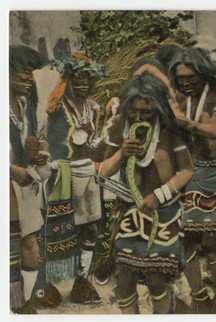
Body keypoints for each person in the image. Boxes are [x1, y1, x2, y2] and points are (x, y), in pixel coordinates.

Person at [98, 73, 194, 313]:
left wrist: (159, 195)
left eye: (147, 113)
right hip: (131, 213)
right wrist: (121, 153)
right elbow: (105, 171)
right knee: (124, 277)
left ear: (158, 110)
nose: (139, 117)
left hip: (165, 213)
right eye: (134, 111)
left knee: (156, 279)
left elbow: (186, 170)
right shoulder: (120, 125)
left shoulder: (170, 131)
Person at [170, 48, 216, 313]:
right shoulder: (180, 98)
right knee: (188, 240)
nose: (185, 83)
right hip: (193, 174)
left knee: (211, 241)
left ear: (203, 72)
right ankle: (199, 296)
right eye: (180, 79)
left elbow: (213, 130)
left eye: (190, 77)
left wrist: (183, 122)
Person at [40, 52, 107, 305]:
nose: (82, 83)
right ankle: (43, 285)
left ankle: (82, 282)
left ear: (93, 82)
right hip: (61, 172)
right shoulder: (57, 107)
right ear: (68, 79)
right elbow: (47, 123)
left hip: (86, 170)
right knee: (54, 228)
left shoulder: (94, 107)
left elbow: (92, 141)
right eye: (77, 78)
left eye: (87, 78)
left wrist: (105, 143)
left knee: (89, 228)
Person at [9, 45, 50, 313]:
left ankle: (24, 304)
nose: (31, 80)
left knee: (31, 248)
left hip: (23, 187)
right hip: (9, 186)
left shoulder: (25, 105)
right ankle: (16, 307)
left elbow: (40, 140)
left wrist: (42, 154)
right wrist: (12, 170)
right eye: (26, 73)